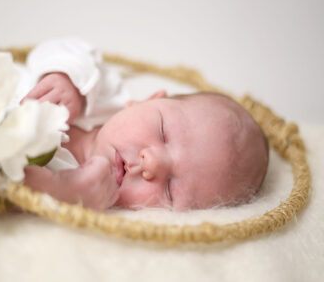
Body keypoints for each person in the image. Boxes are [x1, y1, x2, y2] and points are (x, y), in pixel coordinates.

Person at [19, 38, 269, 211]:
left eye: (170, 190)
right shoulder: (103, 93)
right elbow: (66, 48)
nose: (152, 162)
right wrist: (67, 77)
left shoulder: (91, 197)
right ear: (147, 101)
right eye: (163, 133)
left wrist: (58, 190)